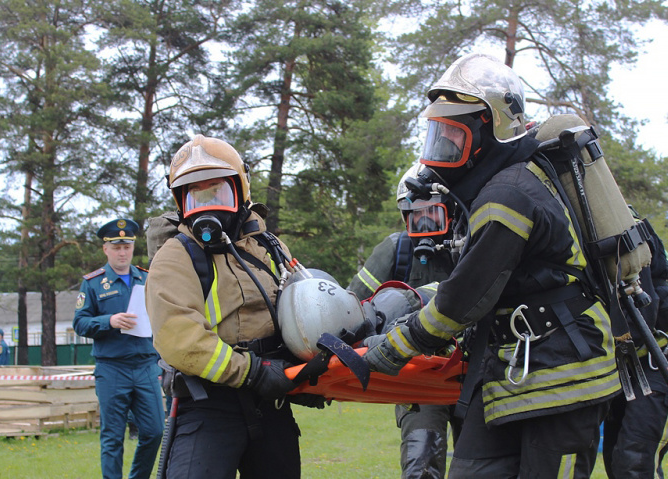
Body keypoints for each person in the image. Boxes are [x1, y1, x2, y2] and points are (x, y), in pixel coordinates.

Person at [362, 53, 622, 478]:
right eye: (438, 136)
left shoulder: (508, 194)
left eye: (454, 137)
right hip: (510, 376)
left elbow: (463, 297)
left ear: (493, 129)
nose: (440, 153)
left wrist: (394, 348)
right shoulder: (498, 191)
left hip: (566, 379)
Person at [145, 135, 321, 479]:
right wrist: (253, 373)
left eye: (218, 193)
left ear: (241, 191)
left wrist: (309, 369)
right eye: (196, 196)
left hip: (271, 403)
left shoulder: (268, 247)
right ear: (181, 203)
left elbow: (301, 309)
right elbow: (180, 338)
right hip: (208, 406)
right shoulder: (175, 256)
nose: (208, 207)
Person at [348, 163, 460, 479]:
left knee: (482, 469)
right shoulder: (396, 250)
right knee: (420, 468)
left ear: (451, 210)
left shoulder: (476, 244)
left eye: (432, 212)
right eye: (415, 214)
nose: (423, 222)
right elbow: (352, 310)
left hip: (474, 374)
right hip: (419, 379)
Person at [601, 214, 668, 479]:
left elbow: (643, 308)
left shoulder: (617, 220)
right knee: (616, 459)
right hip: (629, 360)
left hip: (664, 351)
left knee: (634, 462)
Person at [73, 218, 165, 479]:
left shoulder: (146, 279)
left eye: (127, 246)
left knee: (155, 431)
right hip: (112, 367)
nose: (122, 252)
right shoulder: (93, 284)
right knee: (113, 437)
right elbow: (79, 323)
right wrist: (109, 321)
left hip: (146, 365)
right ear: (106, 250)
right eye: (116, 247)